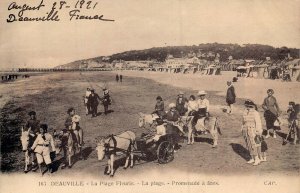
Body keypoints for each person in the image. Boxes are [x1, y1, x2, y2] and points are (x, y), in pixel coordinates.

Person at [242, 99, 263, 166]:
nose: (248, 107)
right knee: (248, 144)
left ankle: (257, 159)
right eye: (247, 106)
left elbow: (258, 123)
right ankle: (252, 158)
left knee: (253, 144)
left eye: (249, 106)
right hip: (246, 129)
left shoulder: (255, 113)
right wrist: (242, 128)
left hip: (253, 130)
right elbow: (243, 122)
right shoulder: (244, 112)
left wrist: (258, 131)